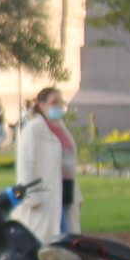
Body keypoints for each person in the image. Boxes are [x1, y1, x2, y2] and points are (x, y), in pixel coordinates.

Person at [15, 87, 81, 240]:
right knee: (55, 242)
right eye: (54, 102)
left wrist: (76, 194)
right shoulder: (33, 129)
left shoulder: (62, 129)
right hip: (46, 198)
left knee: (68, 242)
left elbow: (69, 164)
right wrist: (31, 196)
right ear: (42, 105)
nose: (58, 106)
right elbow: (26, 164)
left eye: (61, 102)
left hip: (65, 193)